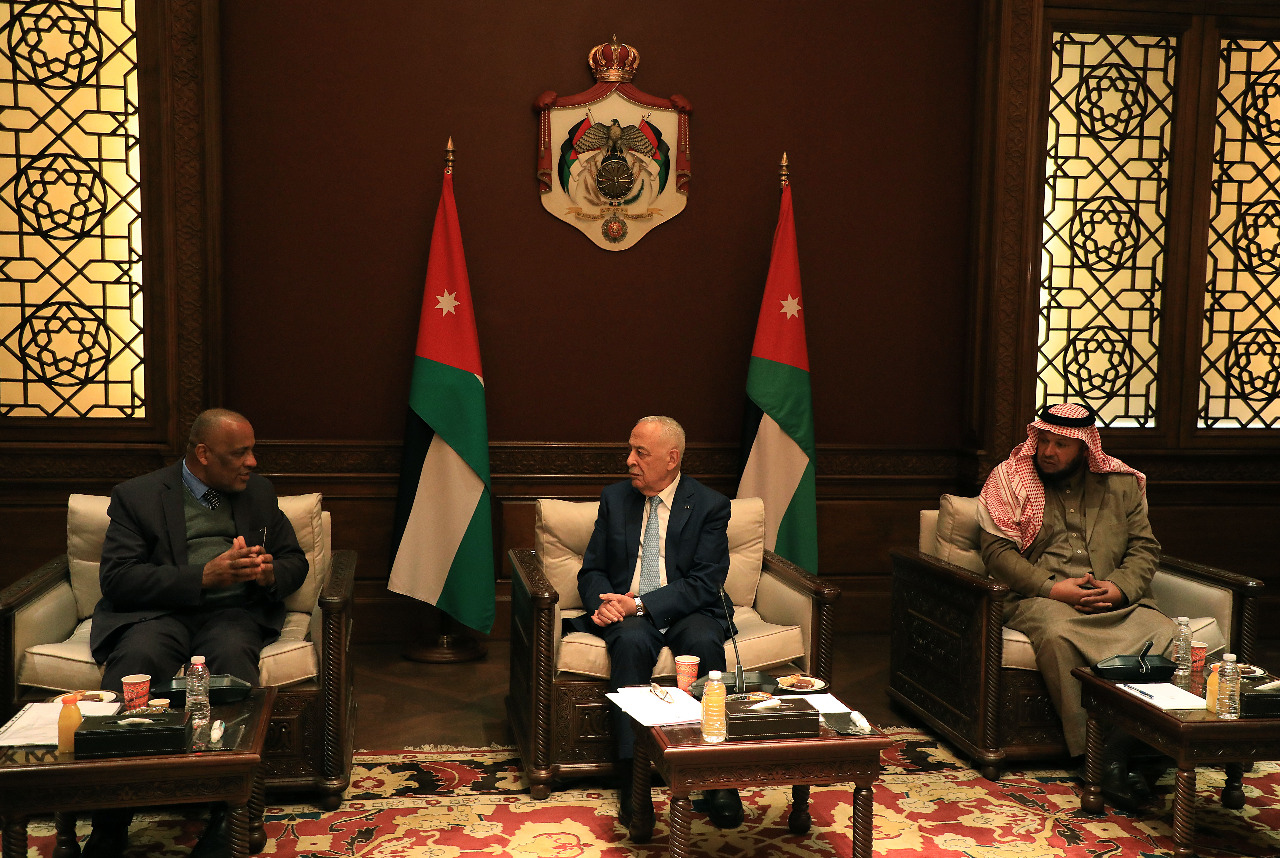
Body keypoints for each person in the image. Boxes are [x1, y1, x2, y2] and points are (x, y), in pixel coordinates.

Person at [83, 408, 308, 858]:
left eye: (252, 451)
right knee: (136, 663)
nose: (252, 462)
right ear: (203, 454)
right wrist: (202, 577)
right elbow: (119, 578)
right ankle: (110, 818)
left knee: (233, 662)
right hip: (158, 615)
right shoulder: (138, 496)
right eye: (239, 453)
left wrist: (268, 573)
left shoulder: (259, 492)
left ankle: (229, 814)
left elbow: (293, 561)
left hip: (232, 614)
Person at [977, 402, 1212, 806]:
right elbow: (997, 553)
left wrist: (1120, 588)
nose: (1048, 452)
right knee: (1058, 635)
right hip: (1043, 598)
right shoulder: (1011, 479)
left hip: (1115, 600)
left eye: (1061, 445)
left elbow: (1144, 547)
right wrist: (1053, 588)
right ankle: (1098, 755)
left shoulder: (1121, 484)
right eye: (1043, 441)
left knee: (1170, 636)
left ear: (1086, 447)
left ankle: (1135, 749)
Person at [566, 416, 743, 829]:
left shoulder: (710, 505)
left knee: (704, 641)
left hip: (688, 609)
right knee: (628, 642)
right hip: (627, 613)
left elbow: (705, 581)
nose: (629, 460)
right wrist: (605, 605)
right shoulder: (615, 499)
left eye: (640, 453)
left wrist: (641, 604)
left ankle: (717, 776)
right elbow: (592, 571)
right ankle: (635, 780)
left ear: (671, 459)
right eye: (630, 450)